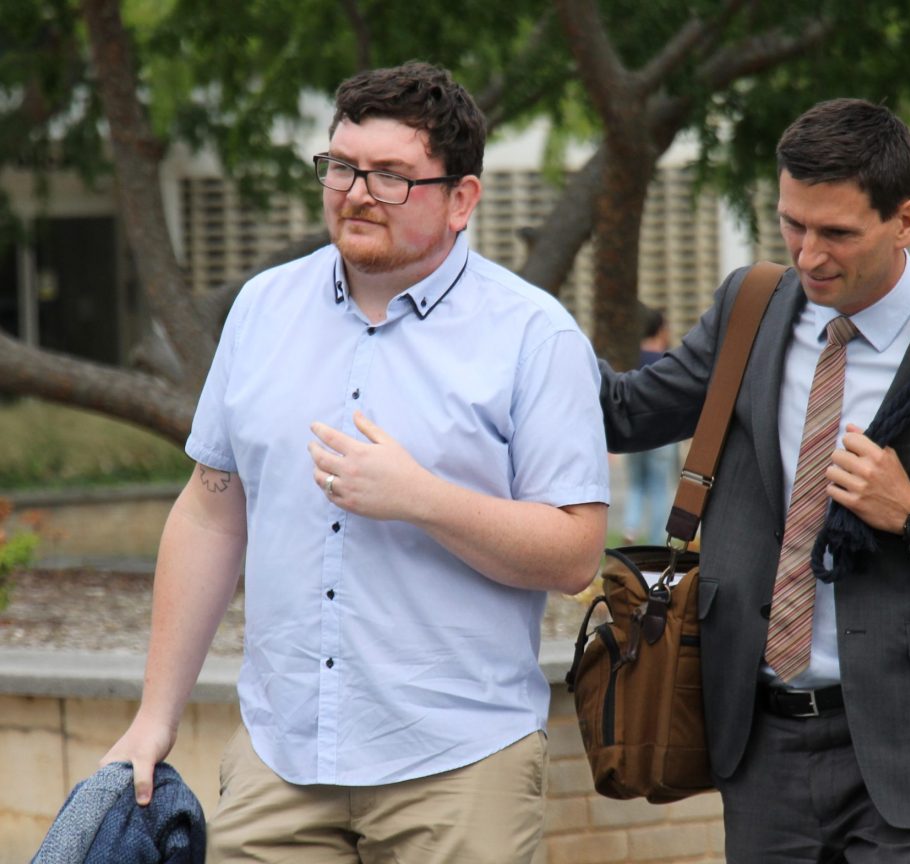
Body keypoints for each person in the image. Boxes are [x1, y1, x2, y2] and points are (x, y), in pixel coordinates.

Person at [101, 61, 609, 863]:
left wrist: (423, 499)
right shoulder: (263, 309)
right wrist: (155, 715)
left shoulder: (533, 337)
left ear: (462, 200)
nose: (357, 191)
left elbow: (576, 552)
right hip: (282, 756)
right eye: (342, 166)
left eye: (393, 176)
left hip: (458, 762)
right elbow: (210, 510)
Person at [600, 98, 910, 863]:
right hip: (759, 740)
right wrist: (511, 322)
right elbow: (626, 413)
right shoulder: (752, 307)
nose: (808, 256)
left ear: (907, 220)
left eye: (836, 232)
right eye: (792, 225)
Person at [620, 306, 680, 543]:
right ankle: (656, 544)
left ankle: (630, 529)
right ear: (661, 329)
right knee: (658, 489)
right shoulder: (668, 360)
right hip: (662, 435)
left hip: (634, 433)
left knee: (635, 485)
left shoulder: (631, 358)